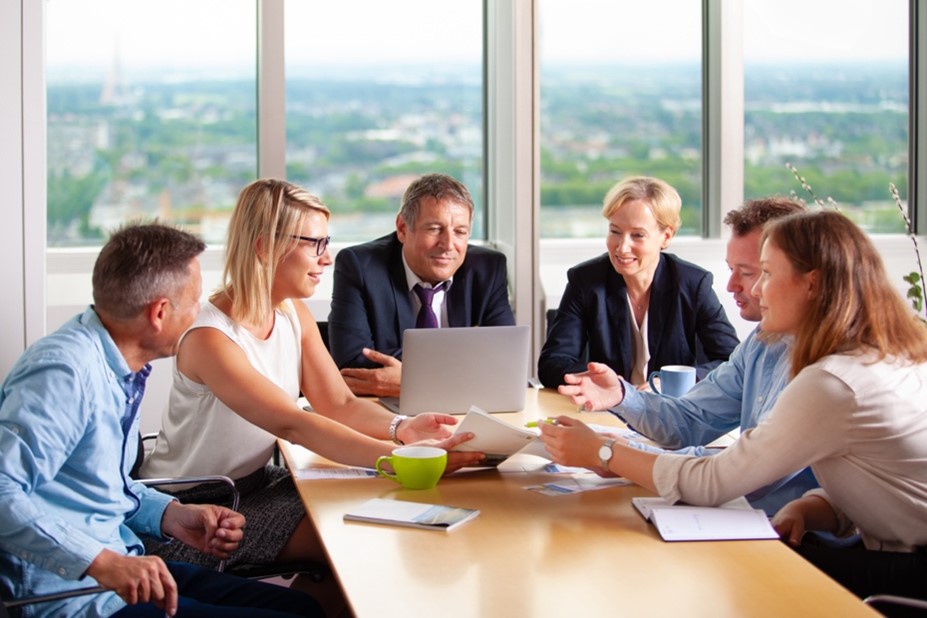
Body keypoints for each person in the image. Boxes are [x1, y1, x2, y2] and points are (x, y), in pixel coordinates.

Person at [540, 210, 927, 601]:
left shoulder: (834, 382)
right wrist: (813, 508)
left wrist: (606, 452)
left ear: (813, 284)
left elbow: (716, 482)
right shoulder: (861, 355)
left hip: (910, 568)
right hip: (883, 545)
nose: (754, 290)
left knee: (732, 577)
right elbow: (879, 481)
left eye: (765, 273)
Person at [140, 179, 484, 572]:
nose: (327, 258)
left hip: (256, 484)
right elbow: (294, 424)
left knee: (386, 510)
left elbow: (338, 404)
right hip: (197, 508)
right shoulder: (210, 338)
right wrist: (405, 460)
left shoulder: (290, 312)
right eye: (315, 243)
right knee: (362, 537)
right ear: (264, 247)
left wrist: (403, 428)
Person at [0, 223, 321, 617]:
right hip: (76, 597)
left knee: (304, 608)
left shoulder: (118, 368)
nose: (201, 311)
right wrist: (103, 562)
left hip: (123, 566)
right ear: (159, 313)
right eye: (195, 301)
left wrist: (171, 515)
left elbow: (97, 490)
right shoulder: (63, 374)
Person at [557, 197, 813, 515]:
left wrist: (613, 454)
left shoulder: (821, 368)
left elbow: (733, 475)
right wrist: (622, 395)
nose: (732, 285)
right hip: (754, 518)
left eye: (749, 273)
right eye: (732, 270)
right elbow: (690, 421)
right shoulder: (761, 342)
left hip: (800, 541)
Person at [537, 176, 739, 388]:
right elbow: (552, 364)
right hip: (608, 411)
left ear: (666, 237)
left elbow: (732, 363)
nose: (622, 247)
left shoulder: (693, 284)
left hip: (670, 413)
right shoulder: (585, 281)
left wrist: (669, 384)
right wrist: (596, 379)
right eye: (615, 231)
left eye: (638, 235)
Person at [328, 173, 516, 397]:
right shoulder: (361, 266)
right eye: (434, 229)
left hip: (465, 407)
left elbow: (505, 362)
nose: (448, 245)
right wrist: (467, 363)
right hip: (384, 412)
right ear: (402, 229)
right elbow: (353, 366)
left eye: (460, 232)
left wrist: (409, 381)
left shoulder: (488, 268)